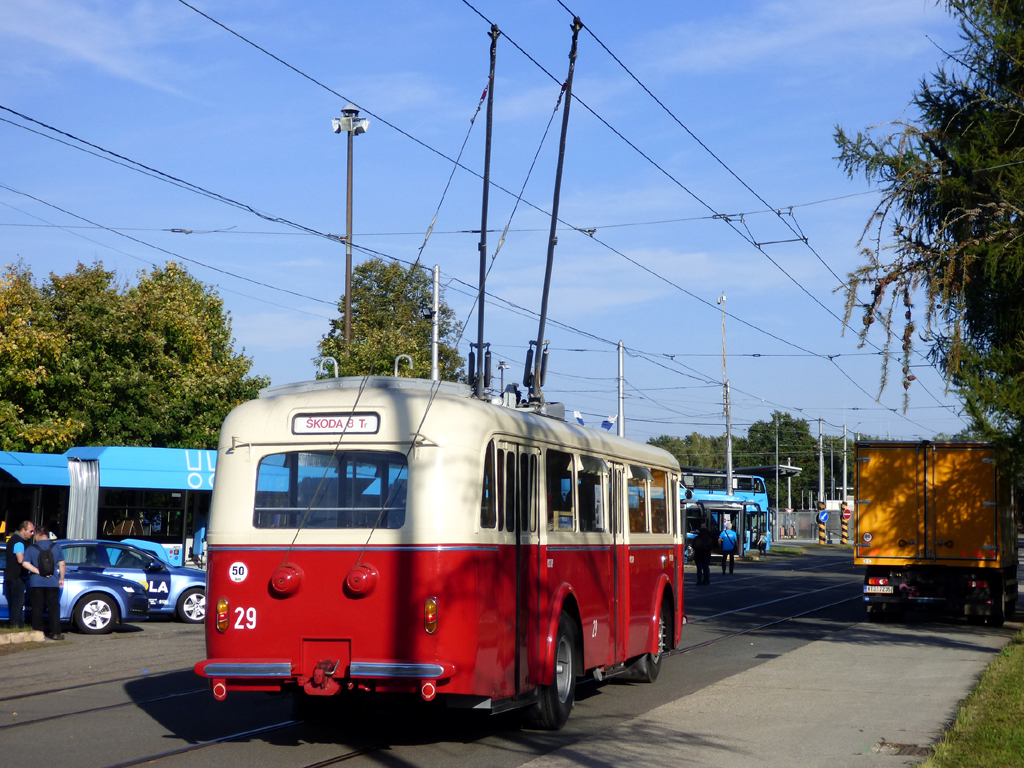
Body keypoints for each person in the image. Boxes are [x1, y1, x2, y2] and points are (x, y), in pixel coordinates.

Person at [21, 526, 66, 640]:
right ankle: (56, 633)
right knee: (54, 608)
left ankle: (38, 633)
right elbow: (62, 564)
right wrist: (61, 579)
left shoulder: (31, 548)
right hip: (52, 582)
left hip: (36, 583)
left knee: (37, 608)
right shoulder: (56, 547)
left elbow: (25, 563)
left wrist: (39, 571)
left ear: (37, 535)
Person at [3, 520, 35, 628]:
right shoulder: (19, 542)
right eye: (31, 531)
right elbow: (20, 559)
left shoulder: (13, 539)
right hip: (17, 577)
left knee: (16, 602)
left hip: (11, 576)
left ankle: (20, 625)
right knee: (18, 602)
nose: (32, 533)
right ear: (23, 529)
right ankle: (14, 625)